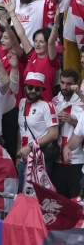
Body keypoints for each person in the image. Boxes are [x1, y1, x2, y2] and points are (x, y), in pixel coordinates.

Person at [17, 71, 60, 192]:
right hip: (23, 158)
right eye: (30, 87)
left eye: (37, 89)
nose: (33, 91)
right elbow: (21, 130)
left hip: (40, 159)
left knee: (38, 196)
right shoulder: (21, 103)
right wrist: (17, 157)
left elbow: (54, 134)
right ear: (25, 87)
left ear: (41, 90)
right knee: (23, 195)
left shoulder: (47, 105)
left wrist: (30, 146)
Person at [51, 69, 84, 198]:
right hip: (57, 159)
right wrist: (57, 122)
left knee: (76, 201)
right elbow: (47, 129)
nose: (65, 87)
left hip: (77, 160)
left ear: (76, 84)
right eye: (62, 83)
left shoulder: (81, 103)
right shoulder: (54, 101)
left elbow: (81, 130)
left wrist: (71, 121)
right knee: (60, 201)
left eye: (69, 84)